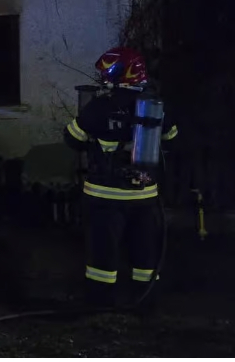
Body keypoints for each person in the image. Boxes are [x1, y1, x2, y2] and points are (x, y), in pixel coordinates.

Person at [64, 47, 177, 311]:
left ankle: (100, 303)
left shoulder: (101, 106)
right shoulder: (154, 107)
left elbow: (72, 139)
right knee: (145, 250)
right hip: (144, 196)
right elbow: (172, 139)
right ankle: (145, 302)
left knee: (103, 252)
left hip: (104, 196)